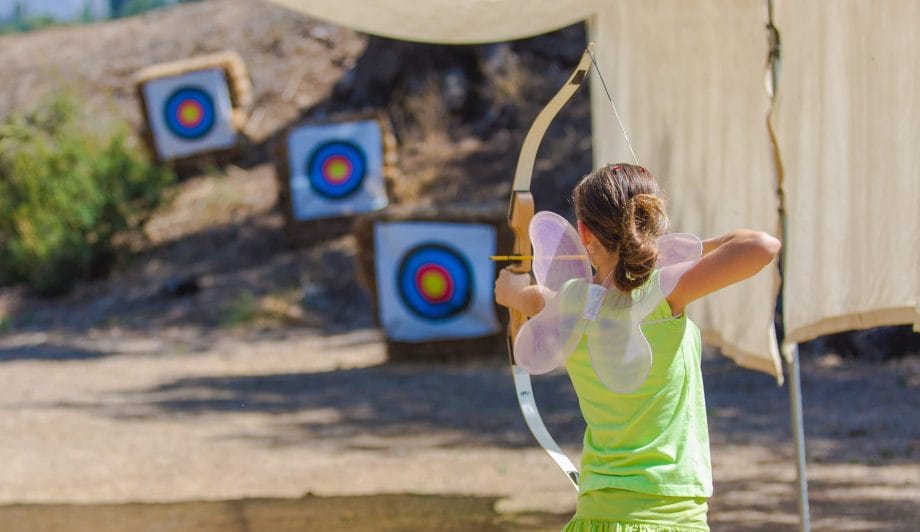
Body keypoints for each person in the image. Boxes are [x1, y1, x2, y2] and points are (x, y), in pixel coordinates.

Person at [494, 163, 781, 532]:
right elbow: (761, 245)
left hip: (595, 515)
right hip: (669, 516)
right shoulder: (662, 294)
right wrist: (677, 250)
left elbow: (524, 294)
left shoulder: (569, 300)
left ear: (584, 233)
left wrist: (511, 289)